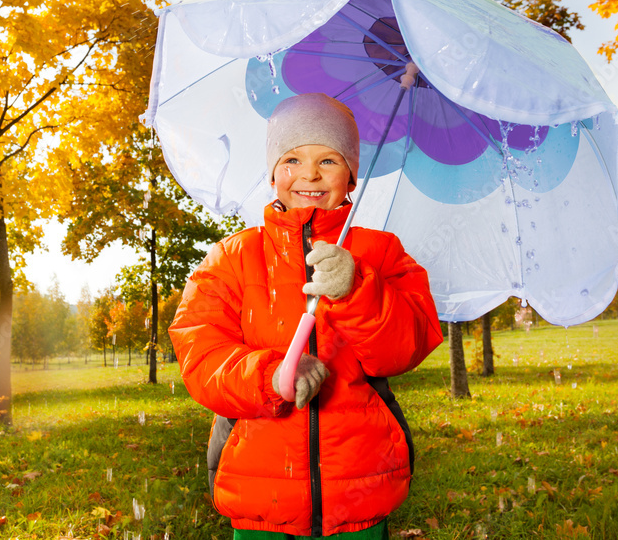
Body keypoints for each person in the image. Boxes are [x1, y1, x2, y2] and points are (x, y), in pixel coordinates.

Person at [169, 92, 444, 539]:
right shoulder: (231, 257)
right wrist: (270, 376)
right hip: (260, 489)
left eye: (330, 161)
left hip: (359, 484)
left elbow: (405, 346)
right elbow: (201, 355)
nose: (310, 174)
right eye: (292, 159)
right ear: (273, 173)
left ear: (353, 175)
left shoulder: (381, 252)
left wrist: (356, 289)